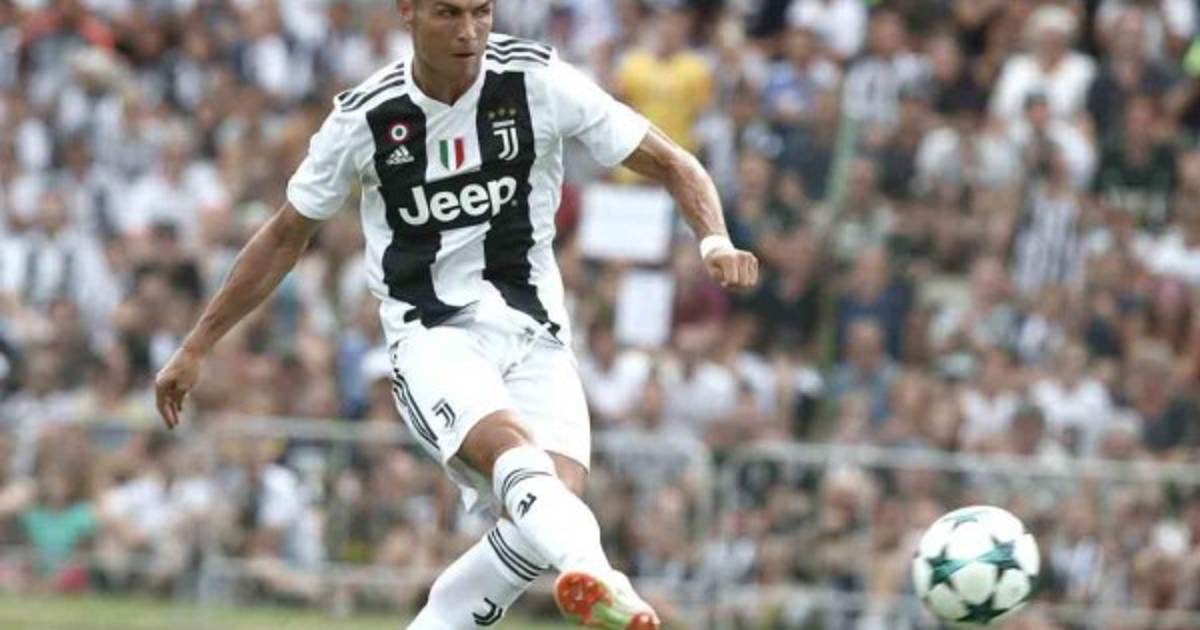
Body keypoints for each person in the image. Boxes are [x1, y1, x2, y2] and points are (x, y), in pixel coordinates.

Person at [152, 1, 759, 628]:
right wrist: (197, 344)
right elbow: (285, 234)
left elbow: (673, 160)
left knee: (544, 511)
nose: (469, 32)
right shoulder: (367, 116)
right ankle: (602, 575)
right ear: (408, 12)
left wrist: (714, 241)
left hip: (537, 331)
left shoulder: (537, 80)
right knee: (515, 457)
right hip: (433, 334)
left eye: (481, 11)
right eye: (448, 13)